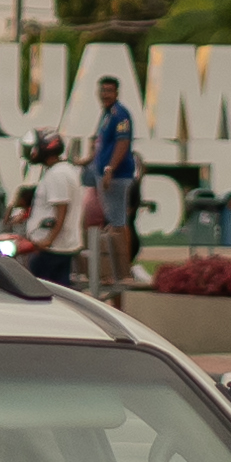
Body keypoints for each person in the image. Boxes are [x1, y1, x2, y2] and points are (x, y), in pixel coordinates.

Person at [81, 72, 142, 299]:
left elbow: (122, 143)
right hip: (104, 175)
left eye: (109, 91)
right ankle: (113, 269)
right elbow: (101, 144)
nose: (105, 95)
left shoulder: (120, 114)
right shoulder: (106, 115)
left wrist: (110, 169)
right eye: (102, 91)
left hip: (116, 176)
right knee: (111, 222)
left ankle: (123, 270)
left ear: (116, 92)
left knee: (118, 223)